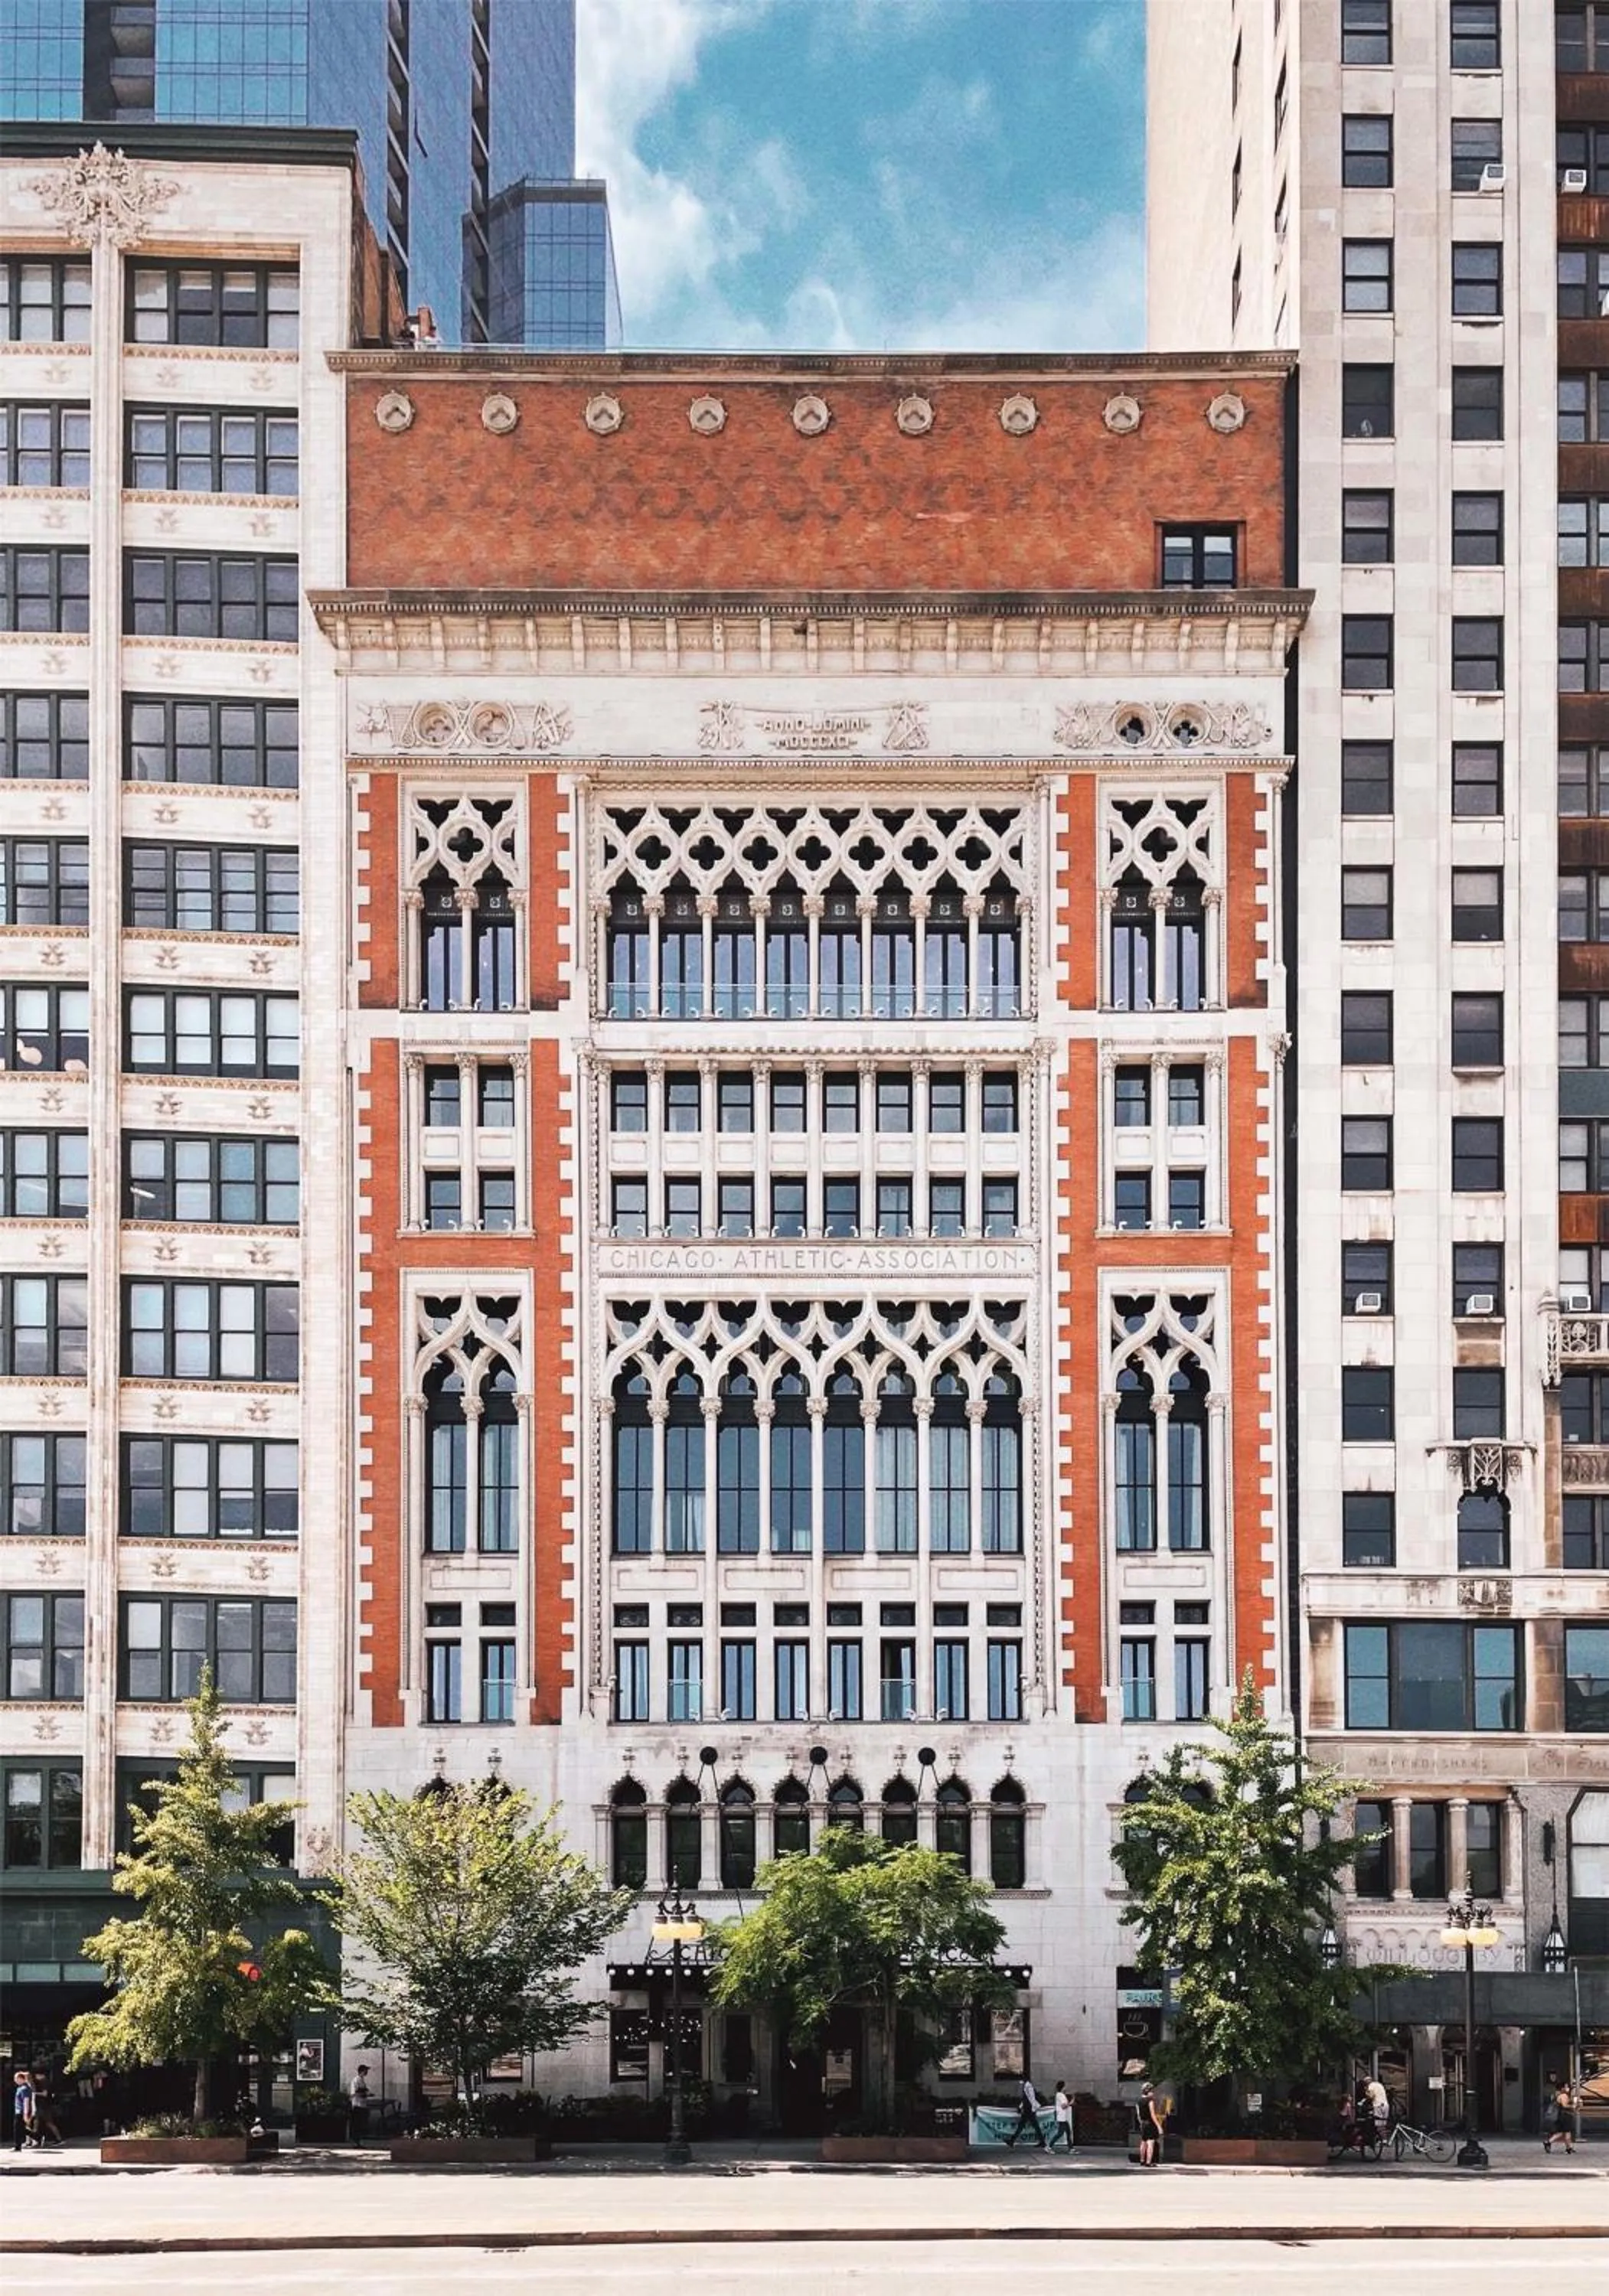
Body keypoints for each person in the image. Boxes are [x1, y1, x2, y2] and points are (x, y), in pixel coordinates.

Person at [1004, 2073, 1046, 2149]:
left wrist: (1032, 2108)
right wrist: (1021, 2107)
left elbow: (1031, 2098)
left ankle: (1012, 2141)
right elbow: (1026, 2098)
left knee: (1025, 2125)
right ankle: (1042, 2142)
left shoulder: (1028, 2086)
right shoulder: (1027, 2085)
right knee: (1031, 2126)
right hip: (1028, 2109)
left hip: (1028, 2109)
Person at [1542, 2070, 1577, 2155]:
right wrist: (1573, 2106)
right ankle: (1550, 2142)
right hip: (1565, 2116)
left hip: (1561, 2116)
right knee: (1567, 2132)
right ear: (1562, 2088)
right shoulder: (1564, 2096)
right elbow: (1565, 2105)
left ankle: (1568, 2148)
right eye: (1566, 2087)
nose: (1568, 2088)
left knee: (1562, 2132)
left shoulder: (1558, 2095)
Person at [10, 2069, 35, 2151]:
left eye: (16, 2079)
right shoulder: (20, 2088)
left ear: (21, 2079)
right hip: (18, 2110)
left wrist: (25, 2114)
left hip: (21, 2111)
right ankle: (37, 2137)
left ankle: (18, 2147)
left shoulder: (24, 2088)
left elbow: (26, 2101)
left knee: (18, 2129)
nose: (15, 2080)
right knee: (20, 2129)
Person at [348, 2063, 372, 2144]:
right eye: (366, 2070)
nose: (367, 2072)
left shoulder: (362, 2080)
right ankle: (356, 2141)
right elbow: (354, 2093)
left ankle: (359, 2141)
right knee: (357, 2125)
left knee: (361, 2125)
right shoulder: (356, 2080)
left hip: (362, 2104)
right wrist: (365, 2094)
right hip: (357, 2105)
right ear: (362, 2071)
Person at [1049, 2080, 1075, 2153]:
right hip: (1062, 2117)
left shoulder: (1059, 2095)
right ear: (1063, 2087)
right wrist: (1071, 2103)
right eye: (1065, 2086)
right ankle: (1049, 2146)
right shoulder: (1061, 2095)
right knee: (1060, 2133)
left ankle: (1071, 2148)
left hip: (1063, 2117)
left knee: (1068, 2132)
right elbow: (1064, 2106)